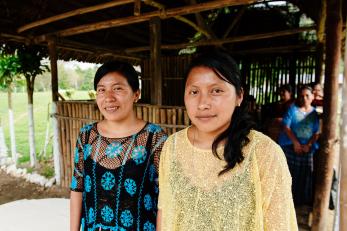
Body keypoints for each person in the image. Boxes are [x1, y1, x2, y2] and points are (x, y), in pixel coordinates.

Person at [157, 50, 297, 231]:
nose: (203, 103)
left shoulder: (264, 152)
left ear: (239, 96)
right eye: (194, 91)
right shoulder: (172, 146)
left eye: (216, 90)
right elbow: (165, 210)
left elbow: (280, 224)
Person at [70, 61, 167, 231]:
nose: (108, 97)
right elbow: (77, 188)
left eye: (117, 88)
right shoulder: (86, 136)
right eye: (101, 90)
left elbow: (166, 199)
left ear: (136, 94)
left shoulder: (154, 138)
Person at [278, 85, 320, 206]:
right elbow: (286, 127)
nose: (304, 98)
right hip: (291, 146)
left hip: (307, 148)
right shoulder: (292, 109)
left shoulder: (314, 114)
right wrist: (296, 143)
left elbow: (316, 133)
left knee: (306, 175)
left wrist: (308, 144)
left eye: (307, 95)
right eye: (301, 96)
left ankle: (301, 202)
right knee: (290, 174)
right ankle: (288, 200)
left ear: (312, 97)